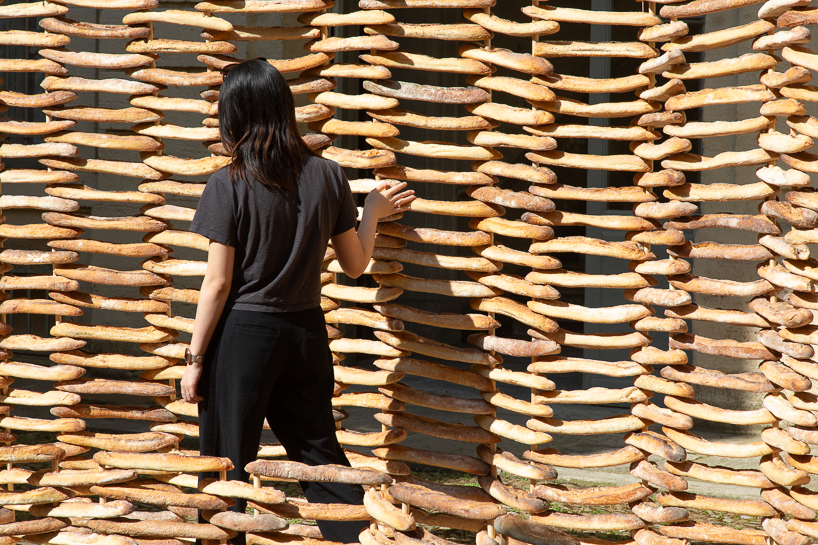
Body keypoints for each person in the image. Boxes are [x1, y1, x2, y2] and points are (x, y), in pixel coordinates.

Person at [180, 58, 415, 545]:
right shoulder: (328, 175)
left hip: (244, 336)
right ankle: (358, 539)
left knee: (226, 461)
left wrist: (194, 359)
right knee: (319, 454)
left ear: (235, 115)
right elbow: (355, 265)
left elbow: (218, 283)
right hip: (306, 333)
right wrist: (371, 211)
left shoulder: (229, 183)